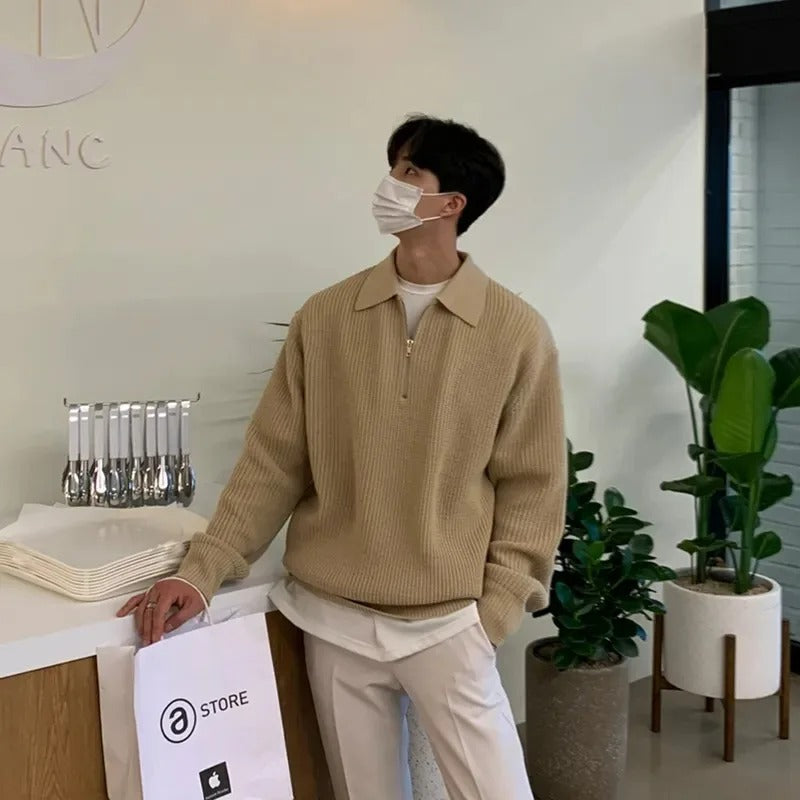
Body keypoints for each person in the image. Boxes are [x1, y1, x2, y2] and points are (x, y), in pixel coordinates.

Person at [119, 115, 567, 800]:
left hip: (448, 624)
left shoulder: (515, 332)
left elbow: (534, 486)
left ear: (452, 203)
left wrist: (496, 610)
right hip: (331, 619)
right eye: (393, 168)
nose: (390, 184)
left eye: (410, 172)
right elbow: (273, 462)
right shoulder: (325, 318)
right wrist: (202, 572)